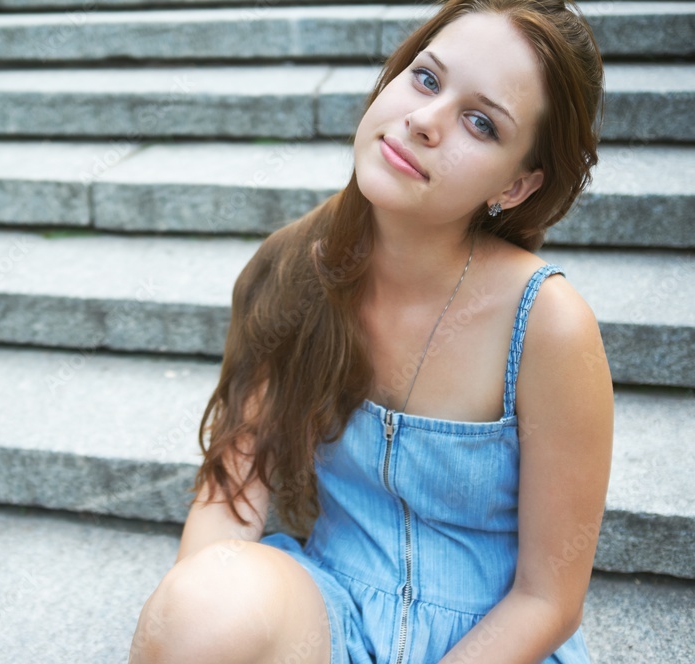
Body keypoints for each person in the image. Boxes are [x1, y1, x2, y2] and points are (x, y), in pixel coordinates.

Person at [130, 0, 612, 661]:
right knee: (201, 603)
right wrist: (190, 624)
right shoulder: (301, 271)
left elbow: (548, 600)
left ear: (517, 185)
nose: (424, 121)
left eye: (480, 122)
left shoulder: (547, 324)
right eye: (425, 78)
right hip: (331, 614)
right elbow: (233, 495)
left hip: (487, 643)